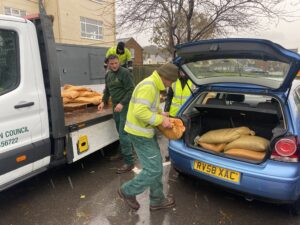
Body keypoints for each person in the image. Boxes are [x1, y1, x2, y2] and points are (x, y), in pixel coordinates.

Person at [117, 63, 179, 211]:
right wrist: (161, 120)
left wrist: (160, 112)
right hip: (140, 134)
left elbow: (148, 107)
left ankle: (157, 200)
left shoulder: (153, 85)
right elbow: (140, 111)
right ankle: (127, 191)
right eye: (171, 81)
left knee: (155, 165)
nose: (171, 85)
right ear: (166, 78)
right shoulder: (149, 86)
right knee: (154, 170)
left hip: (145, 132)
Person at [98, 54, 135, 174]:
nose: (114, 66)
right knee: (120, 132)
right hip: (115, 106)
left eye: (116, 63)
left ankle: (129, 162)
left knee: (124, 133)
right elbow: (107, 90)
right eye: (111, 63)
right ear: (108, 64)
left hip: (125, 106)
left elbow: (131, 90)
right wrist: (103, 102)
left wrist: (122, 103)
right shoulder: (108, 74)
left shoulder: (125, 73)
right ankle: (121, 153)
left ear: (119, 62)